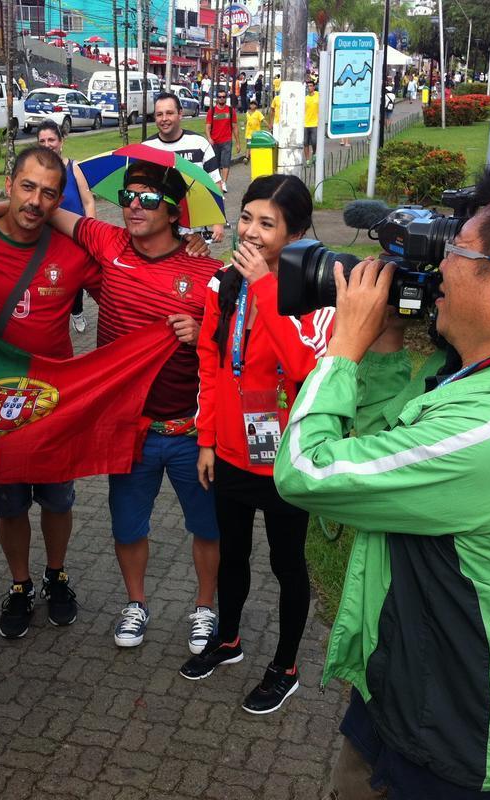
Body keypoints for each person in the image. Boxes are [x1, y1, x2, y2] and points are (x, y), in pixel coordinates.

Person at [272, 160, 490, 799]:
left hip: (466, 736)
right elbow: (388, 457)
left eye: (455, 252)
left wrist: (341, 352)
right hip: (407, 683)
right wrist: (381, 350)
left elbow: (306, 471)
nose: (437, 270)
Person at [0, 161, 225, 656]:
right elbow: (45, 210)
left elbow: (230, 345)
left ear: (173, 211)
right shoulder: (107, 241)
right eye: (128, 197)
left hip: (189, 431)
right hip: (126, 428)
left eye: (147, 200)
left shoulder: (208, 271)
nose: (133, 207)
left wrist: (201, 332)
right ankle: (135, 603)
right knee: (126, 525)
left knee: (206, 526)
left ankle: (206, 607)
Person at [182, 175, 333, 715]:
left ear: (296, 233)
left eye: (267, 224)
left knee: (287, 561)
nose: (250, 232)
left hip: (286, 458)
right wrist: (205, 440)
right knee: (233, 555)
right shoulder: (222, 283)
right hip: (229, 451)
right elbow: (209, 365)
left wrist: (267, 285)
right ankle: (228, 639)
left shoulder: (317, 291)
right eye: (246, 217)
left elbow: (305, 370)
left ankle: (286, 665)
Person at [0, 147, 102, 641]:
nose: (36, 201)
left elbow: (124, 280)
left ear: (59, 201)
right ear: (10, 184)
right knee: (9, 503)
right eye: (28, 187)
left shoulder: (72, 253)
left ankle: (56, 576)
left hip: (52, 400)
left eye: (49, 193)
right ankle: (20, 584)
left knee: (58, 498)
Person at [35, 119, 97, 335]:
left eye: (51, 139)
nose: (47, 144)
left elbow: (88, 202)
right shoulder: (35, 171)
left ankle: (77, 312)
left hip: (74, 235)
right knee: (49, 281)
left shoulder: (74, 167)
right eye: (42, 140)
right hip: (47, 237)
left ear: (61, 141)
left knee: (75, 279)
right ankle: (52, 318)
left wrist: (90, 234)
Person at [147, 92, 224, 242]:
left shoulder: (199, 144)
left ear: (180, 114)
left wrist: (218, 222)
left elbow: (216, 183)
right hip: (158, 231)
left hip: (195, 233)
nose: (164, 119)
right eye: (159, 114)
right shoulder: (147, 148)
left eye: (169, 113)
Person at [205, 88, 241, 193]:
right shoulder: (212, 112)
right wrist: (209, 138)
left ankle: (224, 183)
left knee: (225, 163)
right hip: (215, 142)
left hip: (227, 141)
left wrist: (238, 143)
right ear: (217, 98)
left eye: (223, 97)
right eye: (219, 97)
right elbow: (207, 127)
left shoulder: (231, 111)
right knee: (215, 164)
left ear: (226, 98)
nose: (221, 99)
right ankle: (218, 182)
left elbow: (235, 127)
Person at [303, 79, 319, 163]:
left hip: (315, 123)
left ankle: (315, 153)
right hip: (306, 123)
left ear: (314, 87)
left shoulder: (318, 95)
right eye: (308, 86)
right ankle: (307, 160)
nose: (309, 87)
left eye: (310, 86)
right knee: (305, 142)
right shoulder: (305, 98)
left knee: (314, 141)